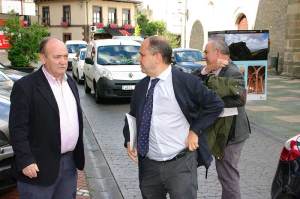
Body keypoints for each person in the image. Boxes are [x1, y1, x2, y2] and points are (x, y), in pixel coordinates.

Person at [123, 36, 224, 199]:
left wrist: (195, 130)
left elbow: (215, 104)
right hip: (149, 166)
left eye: (142, 55)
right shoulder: (141, 87)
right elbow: (132, 117)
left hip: (180, 164)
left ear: (157, 57)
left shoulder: (185, 81)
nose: (138, 59)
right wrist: (129, 138)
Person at [9, 37, 85, 199]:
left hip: (69, 164)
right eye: (57, 57)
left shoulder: (70, 83)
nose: (63, 61)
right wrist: (26, 161)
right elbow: (17, 128)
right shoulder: (26, 86)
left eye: (65, 56)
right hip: (38, 167)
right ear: (43, 58)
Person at [198, 39, 251, 199]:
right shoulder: (215, 69)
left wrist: (211, 101)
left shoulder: (231, 71)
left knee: (228, 175)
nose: (204, 55)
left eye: (206, 52)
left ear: (218, 53)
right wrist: (206, 71)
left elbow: (240, 100)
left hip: (232, 134)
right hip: (222, 131)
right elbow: (196, 83)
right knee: (225, 174)